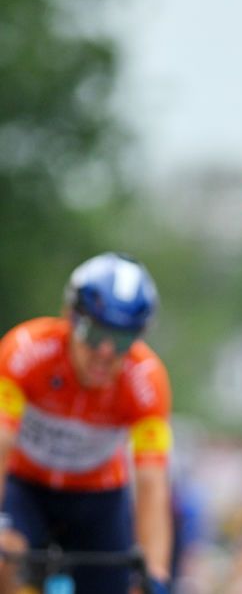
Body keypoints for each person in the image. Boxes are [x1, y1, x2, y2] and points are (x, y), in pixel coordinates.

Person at [0, 253, 173, 594]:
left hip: (98, 498)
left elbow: (153, 483)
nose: (106, 353)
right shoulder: (25, 351)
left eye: (122, 340)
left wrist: (155, 572)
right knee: (7, 563)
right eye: (95, 334)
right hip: (25, 487)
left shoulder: (147, 381)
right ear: (70, 317)